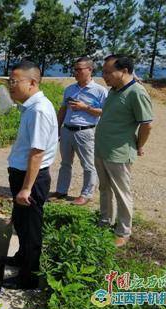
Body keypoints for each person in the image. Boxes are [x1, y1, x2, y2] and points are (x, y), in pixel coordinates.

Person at [2, 61, 59, 289]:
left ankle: (28, 278)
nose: (10, 86)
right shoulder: (31, 107)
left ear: (32, 82)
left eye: (14, 82)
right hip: (25, 176)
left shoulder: (39, 110)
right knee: (22, 223)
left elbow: (37, 153)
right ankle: (21, 258)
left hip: (31, 180)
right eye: (9, 81)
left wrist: (26, 188)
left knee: (31, 228)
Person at [96, 54, 153, 247]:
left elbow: (146, 124)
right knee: (104, 188)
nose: (104, 76)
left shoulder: (137, 92)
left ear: (125, 71)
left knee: (121, 192)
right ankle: (104, 221)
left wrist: (140, 145)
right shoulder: (113, 90)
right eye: (103, 72)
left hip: (119, 152)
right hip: (102, 149)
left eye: (108, 72)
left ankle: (123, 230)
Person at [51, 57, 108, 205]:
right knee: (65, 163)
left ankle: (86, 194)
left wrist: (85, 108)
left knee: (88, 165)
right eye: (74, 69)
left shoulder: (100, 91)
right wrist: (57, 129)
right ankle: (61, 191)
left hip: (86, 132)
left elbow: (105, 112)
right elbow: (63, 110)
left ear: (90, 70)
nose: (75, 72)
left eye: (79, 69)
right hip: (67, 130)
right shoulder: (70, 89)